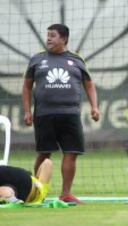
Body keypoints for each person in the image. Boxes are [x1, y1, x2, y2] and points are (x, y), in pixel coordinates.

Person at [22, 24, 100, 203]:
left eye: (53, 36)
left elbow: (89, 85)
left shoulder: (77, 60)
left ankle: (66, 193)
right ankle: (37, 191)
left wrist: (95, 107)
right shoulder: (37, 59)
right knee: (44, 153)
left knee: (71, 153)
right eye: (48, 35)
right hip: (44, 115)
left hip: (70, 114)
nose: (48, 38)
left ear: (64, 39)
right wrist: (27, 111)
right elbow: (26, 87)